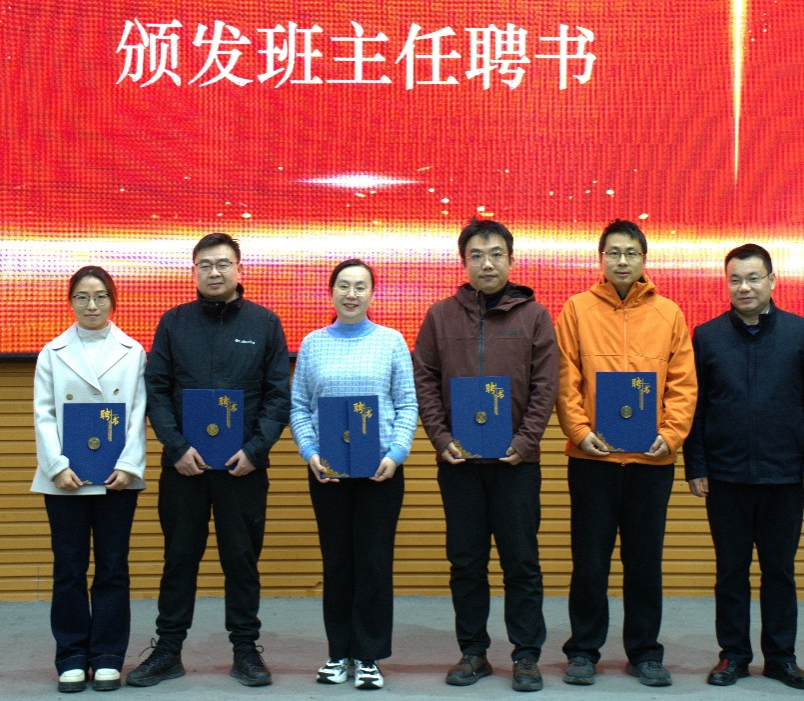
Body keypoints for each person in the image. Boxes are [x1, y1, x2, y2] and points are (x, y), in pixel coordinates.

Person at [127, 233, 291, 688]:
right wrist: (176, 447)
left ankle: (246, 651)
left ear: (239, 269)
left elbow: (278, 396)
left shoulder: (265, 323)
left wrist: (255, 451)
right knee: (179, 559)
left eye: (222, 264)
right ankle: (167, 650)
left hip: (243, 468)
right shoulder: (174, 322)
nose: (214, 272)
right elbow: (156, 391)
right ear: (194, 271)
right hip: (185, 468)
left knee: (242, 560)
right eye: (205, 265)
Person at [412, 218, 558, 692]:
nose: (487, 263)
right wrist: (441, 439)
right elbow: (424, 381)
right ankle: (473, 651)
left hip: (516, 464)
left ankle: (526, 655)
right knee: (466, 563)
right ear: (464, 262)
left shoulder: (534, 316)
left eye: (496, 254)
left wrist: (525, 442)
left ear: (511, 260)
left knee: (522, 563)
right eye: (476, 255)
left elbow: (545, 386)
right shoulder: (440, 316)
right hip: (459, 464)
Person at [555, 219, 697, 688]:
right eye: (613, 252)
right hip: (592, 459)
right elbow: (565, 378)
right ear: (601, 259)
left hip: (650, 461)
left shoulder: (668, 314)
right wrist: (579, 431)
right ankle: (583, 651)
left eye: (631, 253)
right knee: (589, 561)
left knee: (644, 562)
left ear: (643, 259)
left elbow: (683, 385)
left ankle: (645, 652)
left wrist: (671, 436)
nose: (622, 261)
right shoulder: (576, 310)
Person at [685, 244, 804, 691]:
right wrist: (696, 465)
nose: (744, 287)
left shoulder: (801, 333)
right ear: (726, 284)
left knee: (779, 570)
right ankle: (733, 655)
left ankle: (781, 658)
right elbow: (696, 408)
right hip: (725, 476)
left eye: (753, 278)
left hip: (784, 475)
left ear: (772, 281)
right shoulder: (707, 336)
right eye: (735, 279)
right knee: (730, 571)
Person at [289, 259, 418, 691]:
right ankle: (338, 653)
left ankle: (369, 656)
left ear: (371, 294)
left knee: (374, 563)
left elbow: (407, 403)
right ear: (331, 293)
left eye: (360, 286)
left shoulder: (391, 341)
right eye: (343, 286)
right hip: (328, 472)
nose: (351, 294)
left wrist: (396, 454)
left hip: (380, 472)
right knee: (338, 562)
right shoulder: (313, 343)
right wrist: (309, 452)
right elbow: (299, 407)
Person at [32, 265, 148, 693]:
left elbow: (137, 413)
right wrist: (57, 466)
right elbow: (44, 414)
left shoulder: (133, 351)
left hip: (117, 477)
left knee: (113, 567)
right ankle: (71, 656)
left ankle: (107, 656)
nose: (91, 305)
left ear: (112, 301)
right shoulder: (52, 352)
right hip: (65, 480)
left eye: (100, 296)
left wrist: (130, 465)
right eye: (82, 297)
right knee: (69, 568)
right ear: (71, 302)